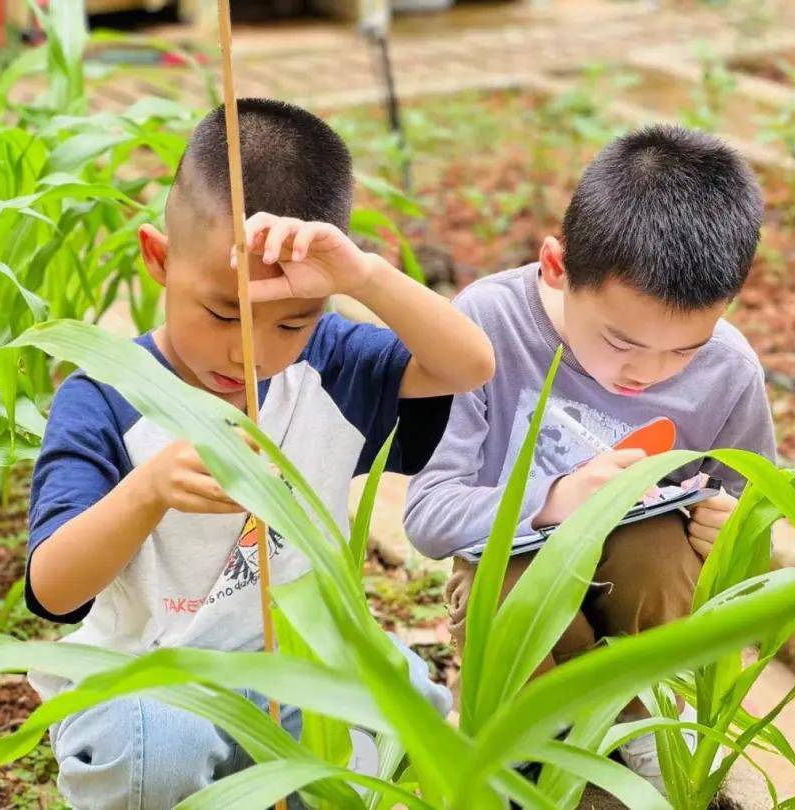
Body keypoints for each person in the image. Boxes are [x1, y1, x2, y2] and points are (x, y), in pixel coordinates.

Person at [26, 98, 495, 809]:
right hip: (154, 682)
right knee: (161, 752)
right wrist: (146, 492)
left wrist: (362, 278)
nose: (249, 351)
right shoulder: (107, 395)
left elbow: (469, 366)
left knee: (394, 734)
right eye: (222, 312)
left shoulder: (331, 366)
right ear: (158, 257)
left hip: (301, 669)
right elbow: (54, 591)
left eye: (290, 321)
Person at [403, 125, 775, 790]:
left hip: (642, 611)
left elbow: (752, 513)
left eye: (682, 351)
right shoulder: (488, 325)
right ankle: (529, 749)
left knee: (659, 551)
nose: (648, 375)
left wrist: (733, 528)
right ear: (557, 265)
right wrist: (556, 498)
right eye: (621, 340)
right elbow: (428, 515)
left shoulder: (727, 371)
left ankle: (645, 734)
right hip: (518, 599)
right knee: (519, 585)